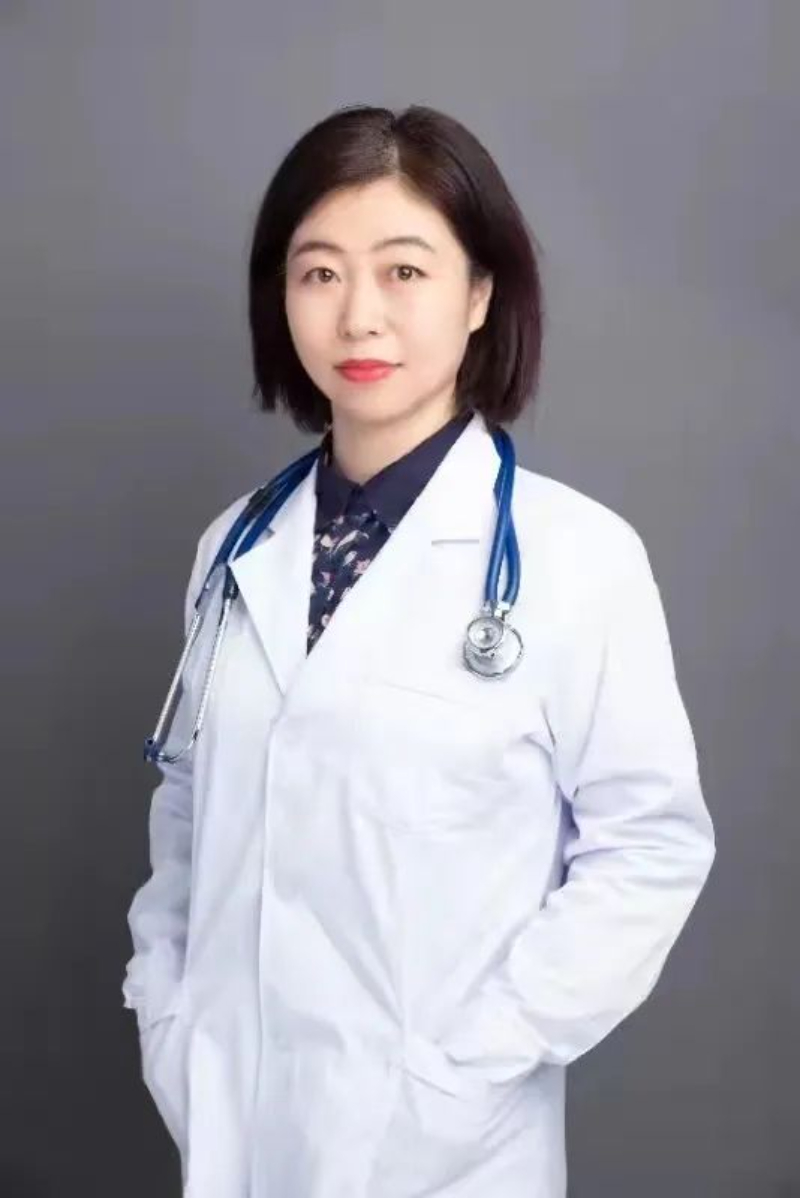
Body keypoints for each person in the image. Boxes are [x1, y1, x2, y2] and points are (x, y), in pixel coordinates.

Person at [122, 104, 716, 1198]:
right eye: (319, 273)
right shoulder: (236, 546)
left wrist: (469, 1066)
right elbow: (190, 807)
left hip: (448, 1148)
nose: (359, 316)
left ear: (479, 294)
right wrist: (166, 1008)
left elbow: (649, 848)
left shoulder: (577, 558)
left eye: (403, 271)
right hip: (231, 1120)